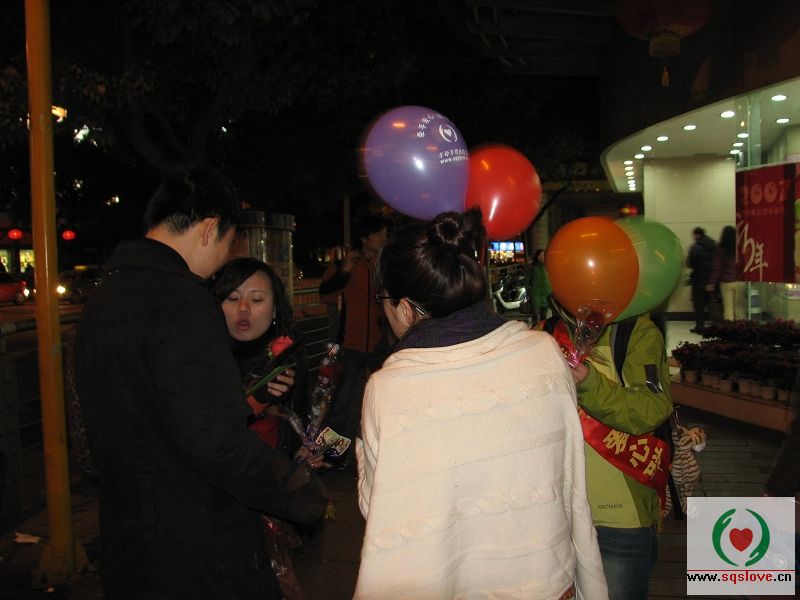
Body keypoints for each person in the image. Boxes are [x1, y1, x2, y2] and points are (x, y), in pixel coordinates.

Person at [74, 165, 326, 600]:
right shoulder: (182, 302)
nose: (224, 258)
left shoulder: (103, 298)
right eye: (229, 243)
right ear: (210, 228)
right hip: (196, 549)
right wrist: (300, 492)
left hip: (129, 538)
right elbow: (219, 443)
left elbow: (88, 443)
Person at [354, 209, 608, 599]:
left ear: (404, 308)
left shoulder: (388, 389)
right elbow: (571, 476)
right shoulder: (543, 353)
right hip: (543, 581)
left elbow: (378, 506)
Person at [545, 302, 674, 600]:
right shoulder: (545, 333)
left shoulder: (635, 333)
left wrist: (589, 383)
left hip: (618, 516)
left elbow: (651, 409)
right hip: (558, 511)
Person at [318, 214, 390, 452]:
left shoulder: (384, 265)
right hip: (351, 345)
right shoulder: (346, 264)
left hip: (380, 345)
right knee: (342, 402)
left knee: (378, 402)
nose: (384, 238)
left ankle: (372, 451)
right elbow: (326, 293)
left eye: (385, 234)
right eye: (378, 234)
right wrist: (345, 270)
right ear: (364, 238)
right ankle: (331, 454)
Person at [707, 225, 744, 321]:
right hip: (740, 282)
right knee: (739, 307)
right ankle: (742, 326)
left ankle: (729, 327)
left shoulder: (720, 248)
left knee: (728, 309)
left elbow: (717, 268)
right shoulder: (740, 247)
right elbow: (744, 264)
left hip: (726, 283)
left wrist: (711, 282)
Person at [686, 226, 716, 333]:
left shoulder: (695, 248)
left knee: (699, 304)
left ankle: (700, 326)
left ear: (697, 235)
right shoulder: (714, 245)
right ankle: (716, 325)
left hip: (698, 280)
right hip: (711, 280)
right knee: (712, 303)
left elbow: (689, 263)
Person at [527, 248, 552, 320]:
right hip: (535, 295)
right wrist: (529, 292)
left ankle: (542, 327)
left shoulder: (548, 267)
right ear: (536, 256)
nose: (542, 257)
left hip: (546, 295)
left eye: (543, 255)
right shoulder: (532, 267)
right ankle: (535, 326)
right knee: (535, 315)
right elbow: (527, 281)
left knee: (543, 317)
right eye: (540, 255)